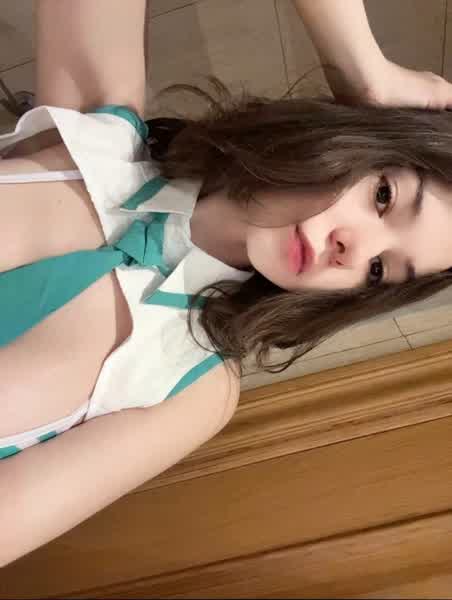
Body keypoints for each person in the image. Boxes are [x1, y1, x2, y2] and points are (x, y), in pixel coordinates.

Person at [2, 0, 452, 567]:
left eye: (380, 270)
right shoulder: (98, 132)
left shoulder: (188, 389)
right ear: (355, 137)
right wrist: (363, 68)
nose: (354, 251)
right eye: (383, 196)